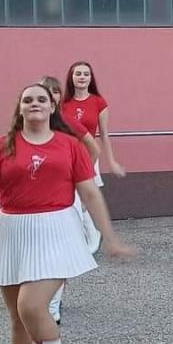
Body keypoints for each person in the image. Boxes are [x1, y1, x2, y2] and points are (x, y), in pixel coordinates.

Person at [0, 83, 135, 344]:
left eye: (41, 99)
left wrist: (110, 238)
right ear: (20, 107)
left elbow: (90, 194)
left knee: (31, 306)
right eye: (28, 99)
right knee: (17, 318)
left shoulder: (69, 145)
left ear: (52, 106)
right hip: (13, 232)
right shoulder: (0, 146)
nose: (35, 104)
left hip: (56, 230)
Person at [39, 75, 100, 324]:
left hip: (65, 196)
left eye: (55, 92)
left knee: (59, 251)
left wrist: (81, 177)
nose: (50, 96)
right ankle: (44, 297)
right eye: (45, 92)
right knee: (40, 251)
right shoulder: (27, 124)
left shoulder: (67, 123)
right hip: (37, 199)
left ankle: (53, 306)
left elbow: (93, 149)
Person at [61, 61, 125, 255]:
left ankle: (92, 235)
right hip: (66, 156)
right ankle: (86, 236)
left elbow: (104, 135)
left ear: (91, 78)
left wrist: (111, 161)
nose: (82, 77)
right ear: (71, 77)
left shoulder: (99, 102)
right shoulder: (63, 104)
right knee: (70, 199)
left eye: (86, 74)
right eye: (78, 73)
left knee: (83, 199)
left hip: (89, 155)